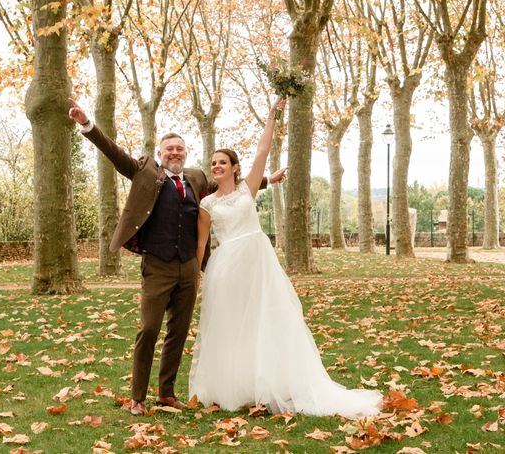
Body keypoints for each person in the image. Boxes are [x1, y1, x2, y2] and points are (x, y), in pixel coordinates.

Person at [67, 99, 286, 416]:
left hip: (188, 267)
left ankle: (166, 394)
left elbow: (230, 186)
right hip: (157, 266)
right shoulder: (143, 171)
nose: (174, 153)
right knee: (149, 330)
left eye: (179, 149)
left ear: (185, 153)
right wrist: (88, 124)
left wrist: (268, 180)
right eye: (168, 149)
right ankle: (138, 398)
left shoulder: (197, 178)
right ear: (160, 154)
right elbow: (114, 153)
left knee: (178, 333)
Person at [190, 98, 383, 419]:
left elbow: (263, 152)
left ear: (235, 167)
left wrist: (271, 116)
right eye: (213, 162)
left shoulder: (247, 188)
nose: (217, 166)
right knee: (230, 326)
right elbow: (201, 243)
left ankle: (272, 382)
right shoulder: (207, 203)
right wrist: (198, 275)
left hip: (256, 261)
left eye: (223, 161)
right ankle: (234, 388)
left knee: (266, 320)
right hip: (224, 268)